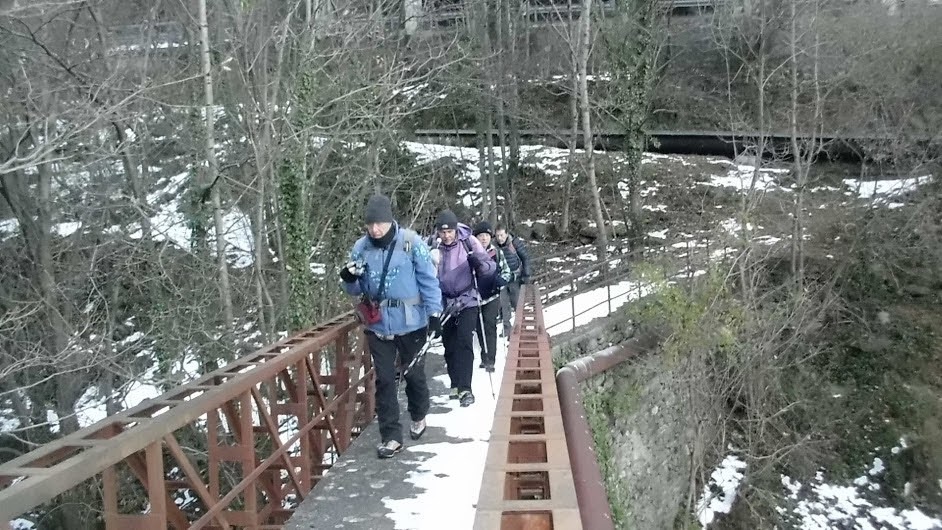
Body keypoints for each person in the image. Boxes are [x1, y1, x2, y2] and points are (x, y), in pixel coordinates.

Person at [340, 195, 443, 459]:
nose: (375, 229)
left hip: (412, 322)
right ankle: (391, 436)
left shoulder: (411, 242)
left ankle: (418, 413)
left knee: (413, 375)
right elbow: (354, 288)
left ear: (390, 220)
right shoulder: (361, 248)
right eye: (370, 224)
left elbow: (428, 279)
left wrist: (435, 313)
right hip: (378, 325)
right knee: (385, 380)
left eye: (380, 223)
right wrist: (348, 279)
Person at [430, 209, 496, 407]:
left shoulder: (469, 242)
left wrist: (478, 264)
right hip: (445, 302)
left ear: (455, 230)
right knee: (449, 345)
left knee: (465, 341)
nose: (446, 236)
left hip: (468, 299)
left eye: (449, 231)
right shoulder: (433, 245)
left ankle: (466, 388)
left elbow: (490, 268)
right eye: (443, 232)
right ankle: (455, 383)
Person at [472, 221, 512, 372]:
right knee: (479, 327)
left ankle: (491, 359)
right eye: (481, 236)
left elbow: (507, 271)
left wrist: (502, 280)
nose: (484, 238)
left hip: (492, 296)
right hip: (475, 298)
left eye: (487, 235)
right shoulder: (471, 253)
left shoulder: (496, 253)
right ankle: (484, 355)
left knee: (489, 325)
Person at [494, 224, 531, 336]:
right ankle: (507, 329)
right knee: (503, 305)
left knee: (518, 303)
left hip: (515, 278)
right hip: (502, 279)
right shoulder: (494, 246)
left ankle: (522, 326)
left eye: (502, 235)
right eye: (497, 236)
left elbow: (525, 257)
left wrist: (526, 275)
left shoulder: (514, 243)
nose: (499, 238)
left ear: (506, 234)